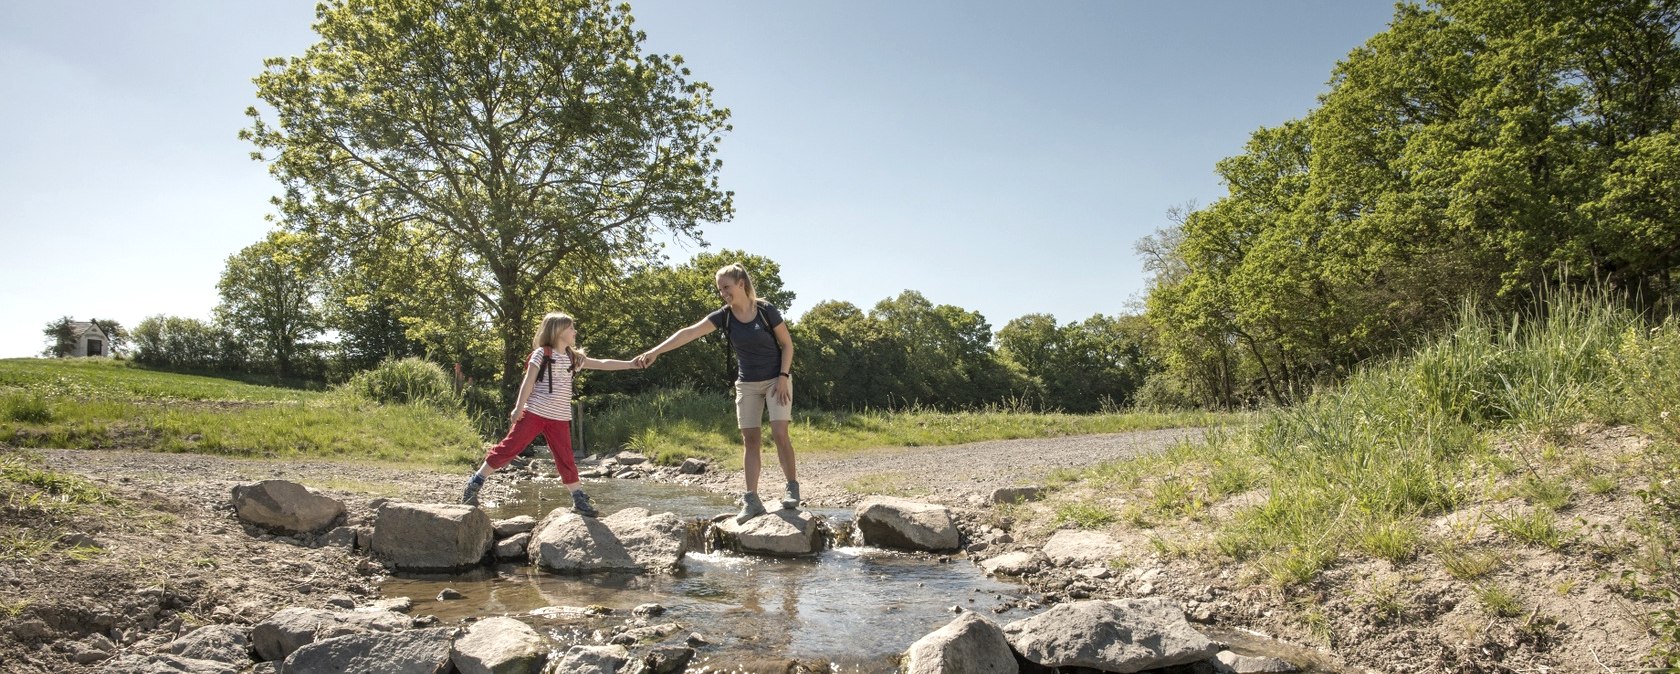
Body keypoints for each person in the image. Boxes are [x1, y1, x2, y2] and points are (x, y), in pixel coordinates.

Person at [636, 263, 798, 523]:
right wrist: (656, 351)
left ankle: (791, 486)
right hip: (747, 383)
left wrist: (783, 377)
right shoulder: (725, 316)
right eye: (719, 289)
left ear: (741, 284)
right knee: (750, 440)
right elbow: (689, 332)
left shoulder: (766, 310)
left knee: (780, 433)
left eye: (726, 287)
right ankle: (752, 500)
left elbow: (787, 345)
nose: (723, 293)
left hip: (775, 380)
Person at [460, 312, 639, 516]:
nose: (575, 331)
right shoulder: (542, 354)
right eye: (571, 328)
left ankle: (578, 498)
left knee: (566, 458)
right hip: (534, 412)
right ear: (558, 331)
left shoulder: (573, 358)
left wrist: (631, 363)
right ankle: (474, 483)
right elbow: (528, 382)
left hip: (560, 418)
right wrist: (518, 408)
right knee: (509, 448)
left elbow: (604, 364)